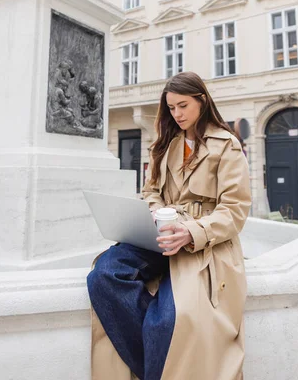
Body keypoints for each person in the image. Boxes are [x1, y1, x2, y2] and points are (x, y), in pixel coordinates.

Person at [87, 71, 251, 380]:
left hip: (203, 241)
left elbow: (235, 210)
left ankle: (157, 358)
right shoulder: (166, 143)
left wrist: (191, 231)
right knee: (104, 274)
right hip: (161, 232)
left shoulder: (226, 145)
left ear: (202, 101)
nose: (176, 114)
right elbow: (150, 191)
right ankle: (157, 362)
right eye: (171, 107)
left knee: (169, 320)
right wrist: (159, 212)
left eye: (183, 106)